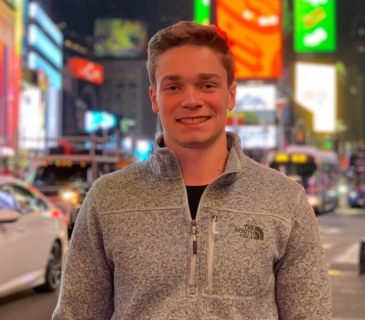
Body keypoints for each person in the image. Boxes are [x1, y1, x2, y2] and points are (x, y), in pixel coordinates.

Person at [53, 21, 331, 319]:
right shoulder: (108, 198)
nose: (191, 100)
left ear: (231, 94)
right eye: (173, 87)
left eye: (207, 85)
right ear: (154, 98)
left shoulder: (284, 200)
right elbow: (75, 314)